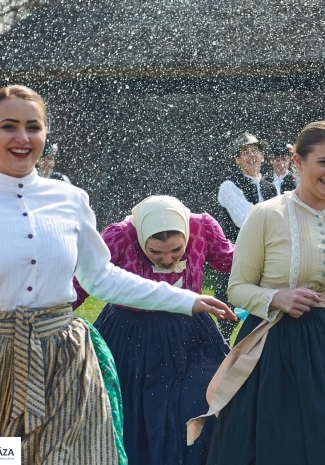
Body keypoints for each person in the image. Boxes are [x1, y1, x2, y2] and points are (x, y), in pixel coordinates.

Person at [0, 85, 234, 464]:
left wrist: (186, 300)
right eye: (9, 126)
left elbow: (101, 277)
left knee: (81, 455)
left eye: (33, 127)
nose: (22, 137)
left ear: (45, 134)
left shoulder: (71, 199)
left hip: (65, 352)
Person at [191, 121, 325, 465]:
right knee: (281, 448)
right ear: (298, 161)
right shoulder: (265, 215)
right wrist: (275, 298)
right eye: (324, 162)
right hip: (277, 352)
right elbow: (238, 288)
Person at [72, 195, 233, 465]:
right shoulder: (120, 236)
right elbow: (83, 281)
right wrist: (51, 315)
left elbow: (234, 261)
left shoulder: (202, 228)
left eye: (176, 250)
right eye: (156, 252)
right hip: (131, 336)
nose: (167, 259)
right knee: (135, 411)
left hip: (191, 335)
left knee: (202, 401)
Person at [215, 132, 277, 339]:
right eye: (245, 152)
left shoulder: (271, 187)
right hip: (237, 257)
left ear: (262, 156)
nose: (251, 156)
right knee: (228, 317)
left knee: (266, 316)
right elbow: (245, 220)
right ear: (237, 160)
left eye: (255, 151)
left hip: (267, 258)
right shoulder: (228, 186)